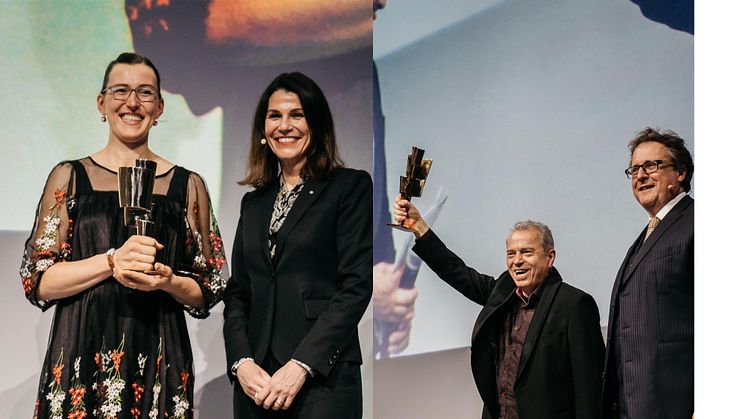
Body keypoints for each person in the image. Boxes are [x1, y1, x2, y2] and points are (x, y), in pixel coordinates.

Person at [19, 52, 228, 418]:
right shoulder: (70, 178)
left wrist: (168, 280)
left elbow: (207, 288)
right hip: (81, 357)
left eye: (145, 93)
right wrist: (111, 261)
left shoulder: (187, 185)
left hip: (159, 358)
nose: (132, 102)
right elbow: (38, 281)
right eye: (120, 91)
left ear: (160, 107)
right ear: (101, 102)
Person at [222, 72, 372, 419]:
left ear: (316, 125)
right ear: (263, 130)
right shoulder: (254, 203)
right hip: (256, 383)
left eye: (297, 114)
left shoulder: (349, 187)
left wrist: (301, 365)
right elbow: (238, 294)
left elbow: (355, 287)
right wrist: (241, 363)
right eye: (274, 116)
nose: (284, 126)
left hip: (322, 379)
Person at [394, 199, 604, 419]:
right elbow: (457, 272)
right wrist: (420, 229)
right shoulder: (503, 292)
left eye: (527, 252)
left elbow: (588, 389)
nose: (517, 261)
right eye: (511, 254)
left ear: (550, 257)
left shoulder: (574, 304)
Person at [602, 128, 694, 419]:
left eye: (651, 166)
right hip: (636, 405)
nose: (640, 175)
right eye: (634, 169)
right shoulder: (642, 239)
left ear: (680, 172)